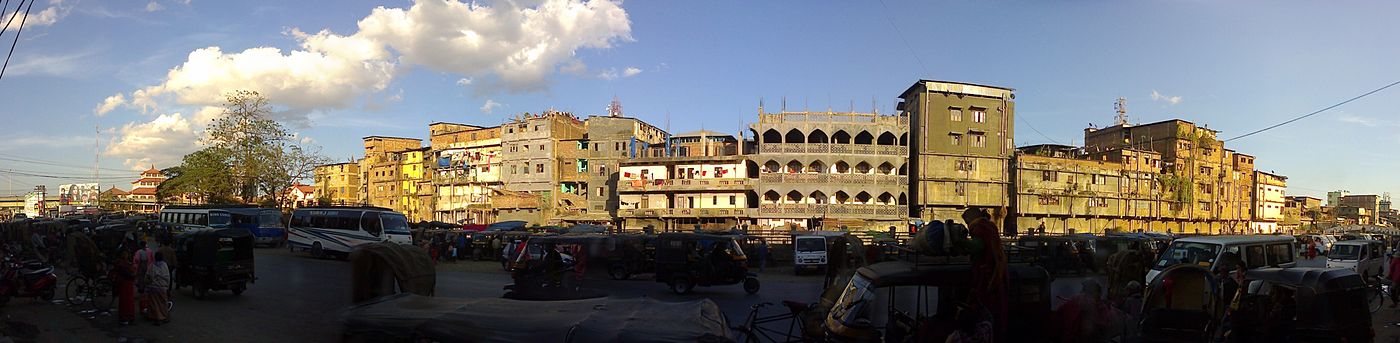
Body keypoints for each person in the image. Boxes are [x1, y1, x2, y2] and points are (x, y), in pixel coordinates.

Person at [959, 208, 1008, 342]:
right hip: (993, 271)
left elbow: (977, 246)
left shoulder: (980, 228)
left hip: (987, 276)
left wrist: (960, 242)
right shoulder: (989, 227)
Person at [145, 252, 171, 325]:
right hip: (162, 288)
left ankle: (156, 317)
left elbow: (147, 276)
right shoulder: (165, 265)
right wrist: (167, 287)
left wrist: (147, 284)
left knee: (154, 303)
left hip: (153, 288)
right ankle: (164, 317)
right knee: (163, 303)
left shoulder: (152, 265)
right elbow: (168, 277)